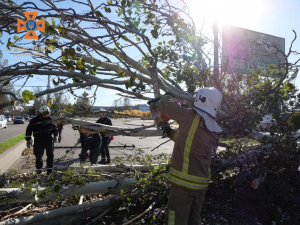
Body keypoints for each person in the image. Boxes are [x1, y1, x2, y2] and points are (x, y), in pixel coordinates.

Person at [158, 87, 223, 225]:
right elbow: (190, 141)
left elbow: (164, 102)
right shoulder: (212, 127)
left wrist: (172, 93)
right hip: (201, 184)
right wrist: (169, 132)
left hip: (184, 183)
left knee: (175, 220)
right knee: (194, 219)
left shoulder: (188, 116)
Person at [25, 105, 58, 175]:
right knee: (38, 156)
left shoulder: (50, 120)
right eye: (44, 114)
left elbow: (55, 128)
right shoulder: (34, 120)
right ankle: (39, 170)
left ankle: (49, 170)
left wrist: (55, 135)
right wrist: (28, 139)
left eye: (47, 114)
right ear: (41, 113)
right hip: (38, 140)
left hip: (48, 139)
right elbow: (29, 129)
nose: (46, 115)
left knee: (50, 155)